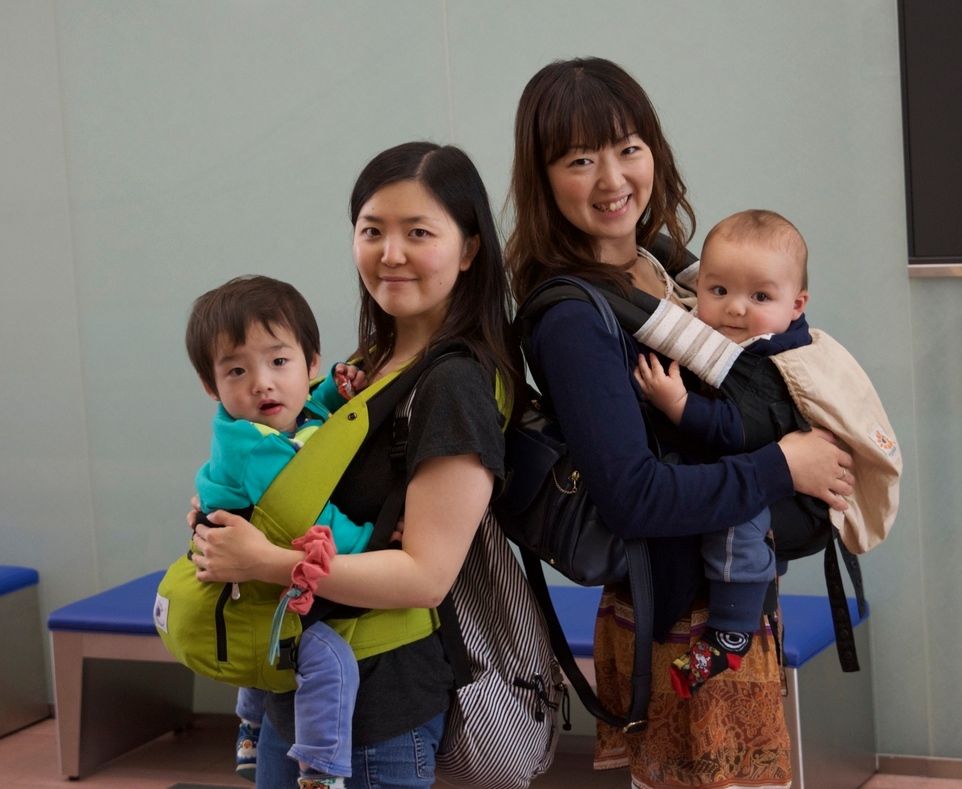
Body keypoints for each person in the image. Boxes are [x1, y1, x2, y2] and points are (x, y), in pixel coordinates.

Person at [506, 57, 855, 787]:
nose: (612, 179)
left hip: (729, 590)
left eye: (628, 148)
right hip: (677, 618)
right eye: (580, 159)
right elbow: (633, 496)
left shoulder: (667, 266)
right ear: (543, 178)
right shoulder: (573, 317)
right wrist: (784, 465)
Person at [189, 141, 520, 789]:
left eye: (417, 232)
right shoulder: (369, 365)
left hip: (372, 714)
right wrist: (220, 510)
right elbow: (291, 474)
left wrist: (260, 560)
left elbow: (425, 576)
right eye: (372, 231)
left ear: (469, 248)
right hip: (295, 684)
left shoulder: (454, 385)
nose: (390, 253)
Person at [185, 274, 372, 786]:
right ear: (211, 385)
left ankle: (250, 727)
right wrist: (371, 540)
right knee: (330, 661)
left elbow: (313, 413)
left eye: (279, 362)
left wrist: (337, 389)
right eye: (237, 370)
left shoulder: (285, 415)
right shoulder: (255, 446)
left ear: (311, 364)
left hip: (253, 575)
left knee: (268, 648)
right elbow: (308, 518)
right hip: (251, 584)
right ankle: (320, 770)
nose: (262, 382)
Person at [634, 209, 813, 698]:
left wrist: (679, 406)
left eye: (760, 297)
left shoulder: (773, 354)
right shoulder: (730, 339)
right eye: (719, 290)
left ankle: (731, 633)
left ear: (796, 304)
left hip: (769, 487)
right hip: (761, 479)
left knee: (736, 522)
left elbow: (741, 427)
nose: (735, 309)